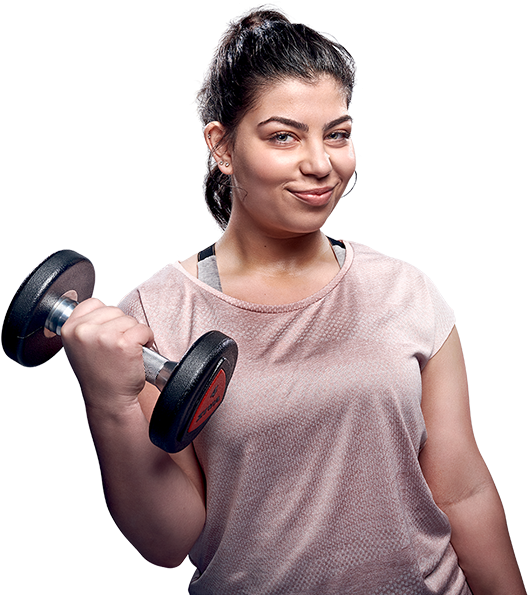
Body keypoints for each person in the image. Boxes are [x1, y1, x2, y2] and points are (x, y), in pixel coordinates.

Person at [61, 5, 525, 594]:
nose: (319, 164)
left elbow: (462, 491)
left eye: (337, 134)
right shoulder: (154, 319)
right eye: (284, 136)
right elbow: (167, 541)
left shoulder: (405, 292)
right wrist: (109, 404)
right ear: (223, 148)